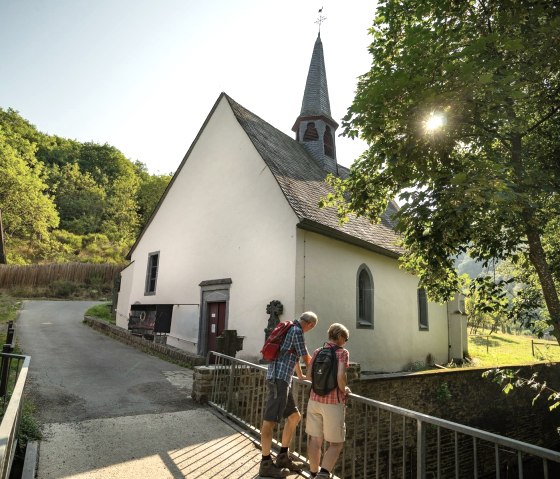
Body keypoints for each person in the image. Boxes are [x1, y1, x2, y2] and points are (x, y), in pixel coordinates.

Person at [259, 311, 318, 478]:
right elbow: (305, 356)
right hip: (279, 380)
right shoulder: (297, 331)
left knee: (294, 416)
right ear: (310, 324)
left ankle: (283, 457)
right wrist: (316, 376)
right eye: (311, 328)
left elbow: (294, 355)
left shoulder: (289, 328)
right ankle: (265, 464)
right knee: (269, 421)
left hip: (281, 378)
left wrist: (300, 376)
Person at [305, 323, 351, 479]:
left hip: (314, 400)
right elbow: (340, 377)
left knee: (315, 440)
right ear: (339, 337)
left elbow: (309, 375)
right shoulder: (342, 353)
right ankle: (323, 475)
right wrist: (345, 389)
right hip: (332, 403)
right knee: (336, 443)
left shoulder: (318, 351)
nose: (345, 342)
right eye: (345, 338)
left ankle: (313, 473)